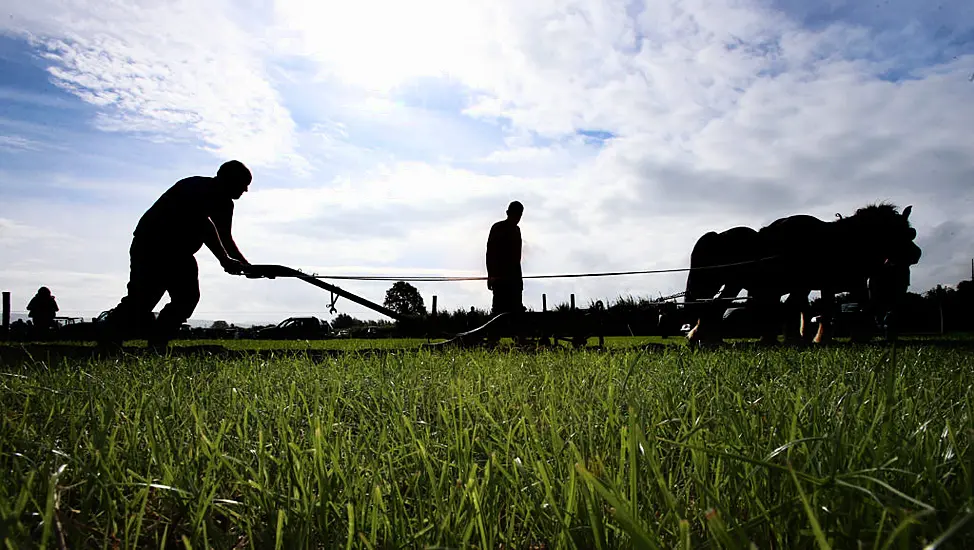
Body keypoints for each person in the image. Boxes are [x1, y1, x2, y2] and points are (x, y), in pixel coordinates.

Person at [100, 160, 253, 351]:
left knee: (187, 298)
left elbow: (224, 237)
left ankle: (158, 342)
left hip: (181, 253)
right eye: (243, 184)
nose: (245, 190)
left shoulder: (225, 205)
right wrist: (224, 260)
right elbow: (203, 225)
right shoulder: (195, 187)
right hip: (152, 246)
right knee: (143, 298)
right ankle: (108, 340)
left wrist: (246, 266)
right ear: (227, 179)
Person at [486, 201, 525, 315]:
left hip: (514, 279)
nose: (517, 218)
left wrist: (519, 281)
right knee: (499, 312)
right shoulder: (498, 228)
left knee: (515, 312)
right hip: (500, 279)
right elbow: (490, 253)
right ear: (509, 213)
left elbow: (517, 257)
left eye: (519, 215)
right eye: (516, 215)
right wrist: (491, 275)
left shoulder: (517, 231)